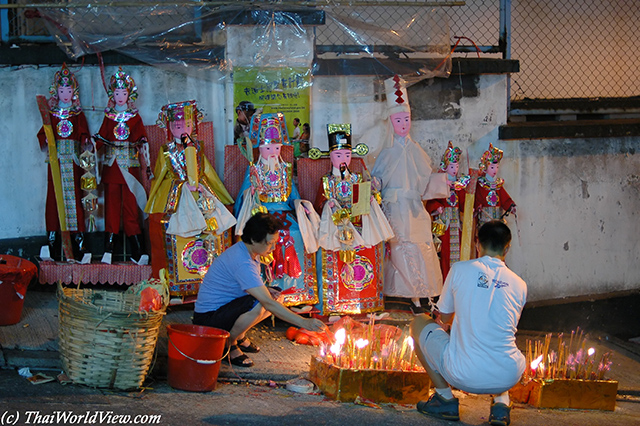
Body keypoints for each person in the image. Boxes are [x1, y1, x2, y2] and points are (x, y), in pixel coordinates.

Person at [409, 220, 527, 426]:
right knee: (498, 335)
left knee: (418, 322)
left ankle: (444, 398)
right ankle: (501, 403)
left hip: (462, 374)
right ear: (507, 247)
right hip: (508, 374)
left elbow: (444, 318)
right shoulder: (520, 284)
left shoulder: (460, 269)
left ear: (477, 244)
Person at [194, 212, 327, 367]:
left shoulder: (250, 251)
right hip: (208, 321)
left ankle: (239, 335)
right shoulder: (242, 262)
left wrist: (266, 290)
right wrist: (303, 322)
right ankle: (227, 344)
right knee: (260, 304)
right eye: (270, 243)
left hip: (223, 310)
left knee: (277, 295)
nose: (273, 248)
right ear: (253, 239)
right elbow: (267, 302)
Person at [145, 100, 236, 299]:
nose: (182, 129)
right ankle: (174, 285)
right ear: (169, 127)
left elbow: (207, 172)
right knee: (161, 221)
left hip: (200, 190)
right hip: (175, 191)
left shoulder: (198, 148)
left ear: (193, 126)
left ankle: (214, 282)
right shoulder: (166, 151)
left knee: (218, 219)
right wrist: (180, 186)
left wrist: (201, 186)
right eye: (177, 126)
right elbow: (161, 175)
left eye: (186, 125)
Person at [371, 75, 448, 310]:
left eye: (407, 119)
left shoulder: (417, 151)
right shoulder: (385, 153)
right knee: (397, 246)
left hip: (414, 209)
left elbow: (426, 182)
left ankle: (425, 294)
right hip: (393, 209)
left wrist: (445, 183)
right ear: (391, 122)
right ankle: (401, 295)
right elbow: (378, 180)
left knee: (421, 245)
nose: (403, 124)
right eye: (398, 120)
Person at [234, 112, 318, 307]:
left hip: (284, 212)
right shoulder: (254, 169)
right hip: (260, 213)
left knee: (296, 232)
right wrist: (251, 192)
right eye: (268, 147)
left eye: (277, 147)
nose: (273, 152)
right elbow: (243, 196)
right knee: (266, 236)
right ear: (260, 148)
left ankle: (297, 291)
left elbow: (293, 195)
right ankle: (262, 291)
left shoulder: (285, 169)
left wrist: (300, 206)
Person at [312, 123, 394, 315]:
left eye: (347, 155)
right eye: (338, 155)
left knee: (373, 245)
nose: (343, 160)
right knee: (330, 248)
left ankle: (367, 303)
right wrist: (328, 204)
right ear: (330, 156)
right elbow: (318, 203)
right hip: (336, 226)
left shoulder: (357, 178)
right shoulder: (327, 181)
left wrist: (370, 196)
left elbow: (362, 199)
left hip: (357, 223)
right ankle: (334, 306)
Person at [37, 64, 91, 262]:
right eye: (62, 90)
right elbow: (43, 133)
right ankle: (52, 244)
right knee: (53, 201)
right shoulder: (51, 113)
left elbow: (85, 133)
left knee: (75, 200)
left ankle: (79, 245)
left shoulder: (77, 114)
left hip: (74, 161)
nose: (65, 94)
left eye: (68, 90)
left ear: (73, 91)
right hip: (56, 161)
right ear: (56, 91)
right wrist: (46, 141)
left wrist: (85, 141)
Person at [95, 67, 150, 265]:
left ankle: (139, 251)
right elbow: (101, 137)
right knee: (111, 209)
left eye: (123, 93)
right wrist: (92, 144)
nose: (120, 97)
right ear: (112, 94)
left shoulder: (134, 116)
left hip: (129, 168)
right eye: (117, 93)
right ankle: (108, 251)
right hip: (111, 167)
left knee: (130, 209)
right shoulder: (108, 116)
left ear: (129, 94)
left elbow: (141, 137)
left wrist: (141, 141)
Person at [426, 142, 471, 279]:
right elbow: (431, 200)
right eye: (452, 166)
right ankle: (444, 283)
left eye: (456, 166)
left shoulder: (459, 185)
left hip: (456, 224)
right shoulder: (438, 181)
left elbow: (463, 202)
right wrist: (437, 207)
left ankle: (457, 282)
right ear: (446, 166)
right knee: (444, 254)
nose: (455, 169)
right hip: (444, 225)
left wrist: (471, 209)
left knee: (458, 255)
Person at [475, 143, 516, 228]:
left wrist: (511, 206)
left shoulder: (498, 185)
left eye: (497, 167)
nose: (495, 170)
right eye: (492, 167)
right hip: (485, 221)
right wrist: (477, 206)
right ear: (486, 167)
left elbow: (504, 199)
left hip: (498, 219)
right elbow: (477, 198)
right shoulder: (481, 184)